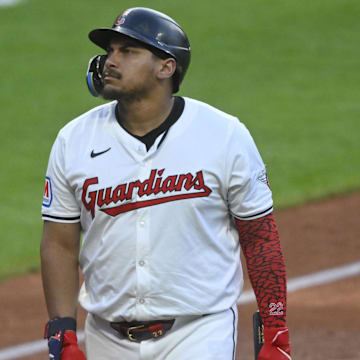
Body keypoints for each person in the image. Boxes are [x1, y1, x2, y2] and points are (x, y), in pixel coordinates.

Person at [40, 7, 292, 360]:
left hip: (198, 333)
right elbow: (59, 244)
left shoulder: (224, 135)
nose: (110, 60)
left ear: (166, 67)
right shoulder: (74, 140)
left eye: (127, 51)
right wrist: (62, 332)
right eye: (111, 50)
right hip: (106, 337)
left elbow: (259, 235)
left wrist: (275, 326)